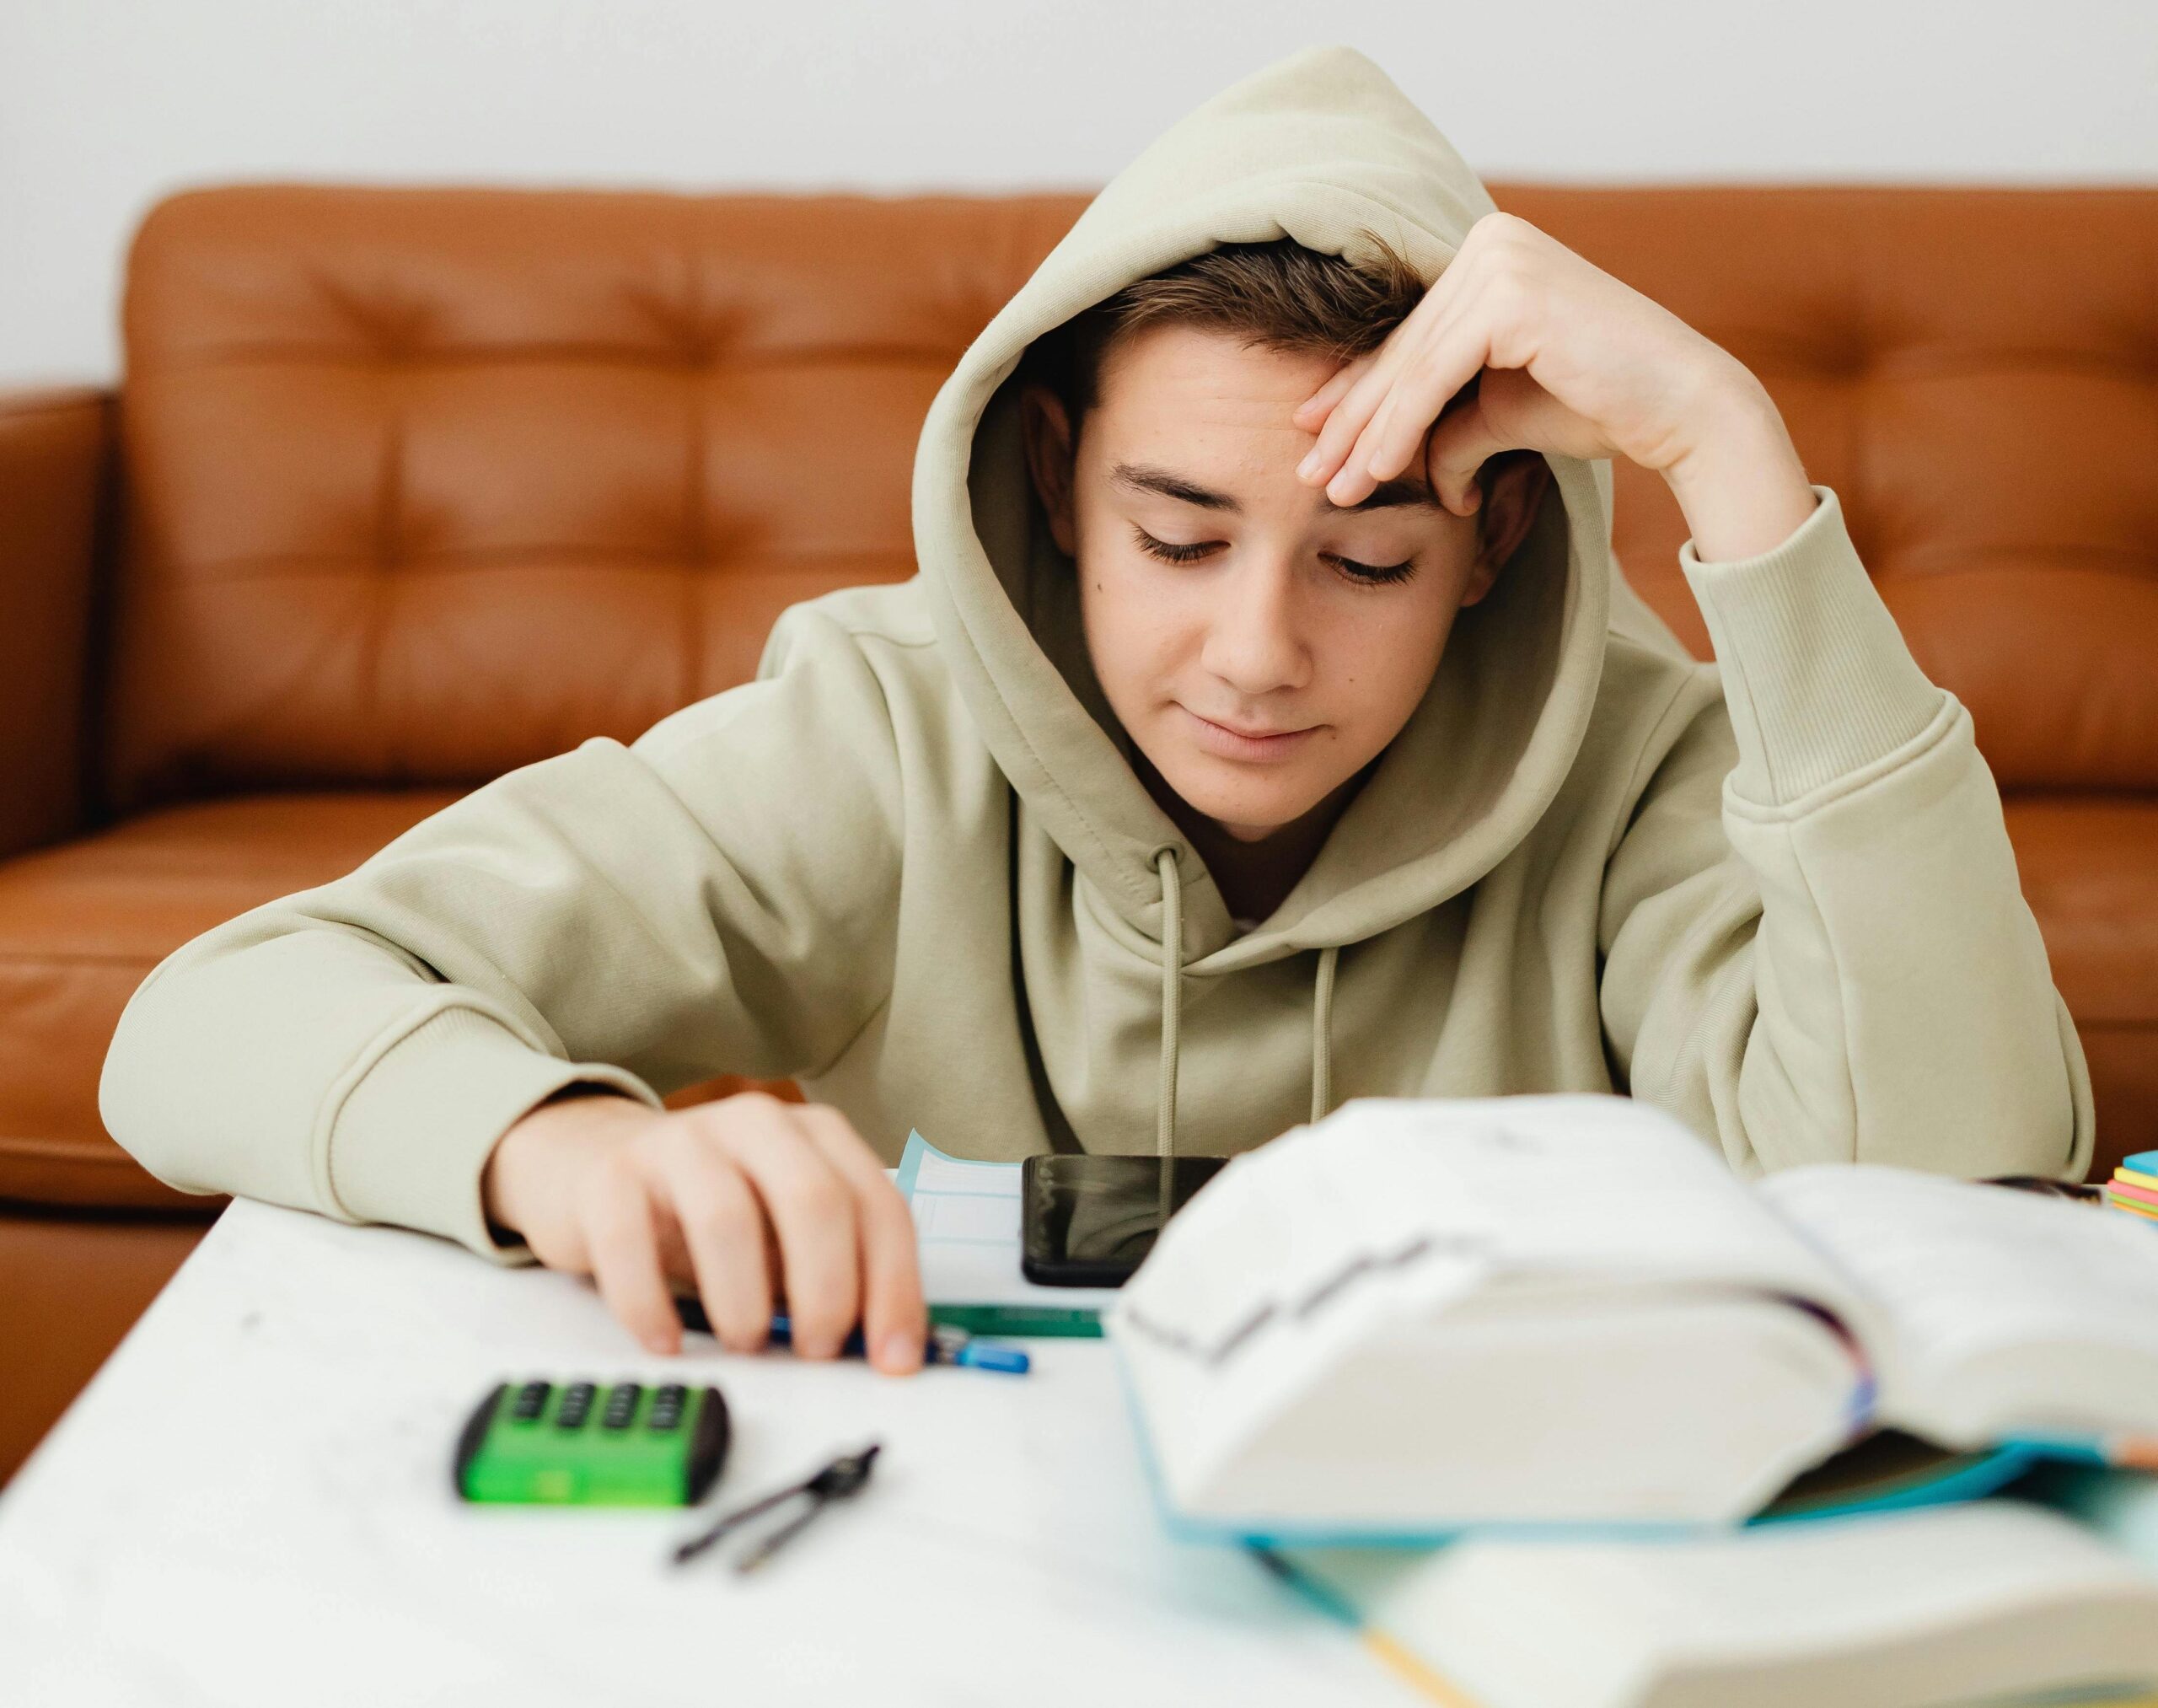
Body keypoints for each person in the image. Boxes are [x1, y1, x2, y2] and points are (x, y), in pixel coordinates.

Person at [99, 46, 2092, 1376]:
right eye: (1175, 533)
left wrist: (1728, 451)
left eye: (1367, 560)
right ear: (1053, 485)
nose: (1252, 653)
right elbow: (214, 1011)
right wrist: (554, 1141)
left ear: (1489, 548)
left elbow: (1951, 1200)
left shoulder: (1642, 761)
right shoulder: (883, 729)